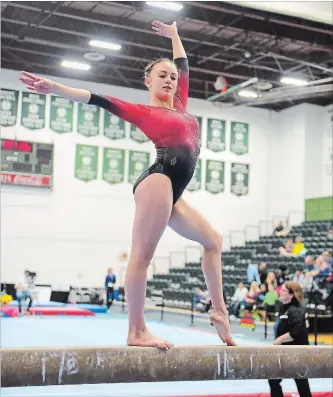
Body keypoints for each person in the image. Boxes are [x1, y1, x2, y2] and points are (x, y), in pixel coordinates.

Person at [19, 20, 235, 349]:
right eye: (162, 75)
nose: (169, 79)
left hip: (172, 192)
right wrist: (56, 89)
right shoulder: (144, 112)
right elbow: (95, 98)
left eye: (172, 77)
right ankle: (136, 330)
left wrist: (175, 35)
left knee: (213, 241)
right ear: (148, 80)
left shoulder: (181, 105)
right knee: (142, 257)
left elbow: (183, 64)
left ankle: (220, 312)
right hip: (158, 181)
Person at [268, 281, 312, 397]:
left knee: (301, 382)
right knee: (273, 379)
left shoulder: (295, 309)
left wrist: (279, 340)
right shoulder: (283, 308)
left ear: (291, 294)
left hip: (296, 353)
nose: (280, 292)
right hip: (284, 351)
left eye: (283, 290)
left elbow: (297, 332)